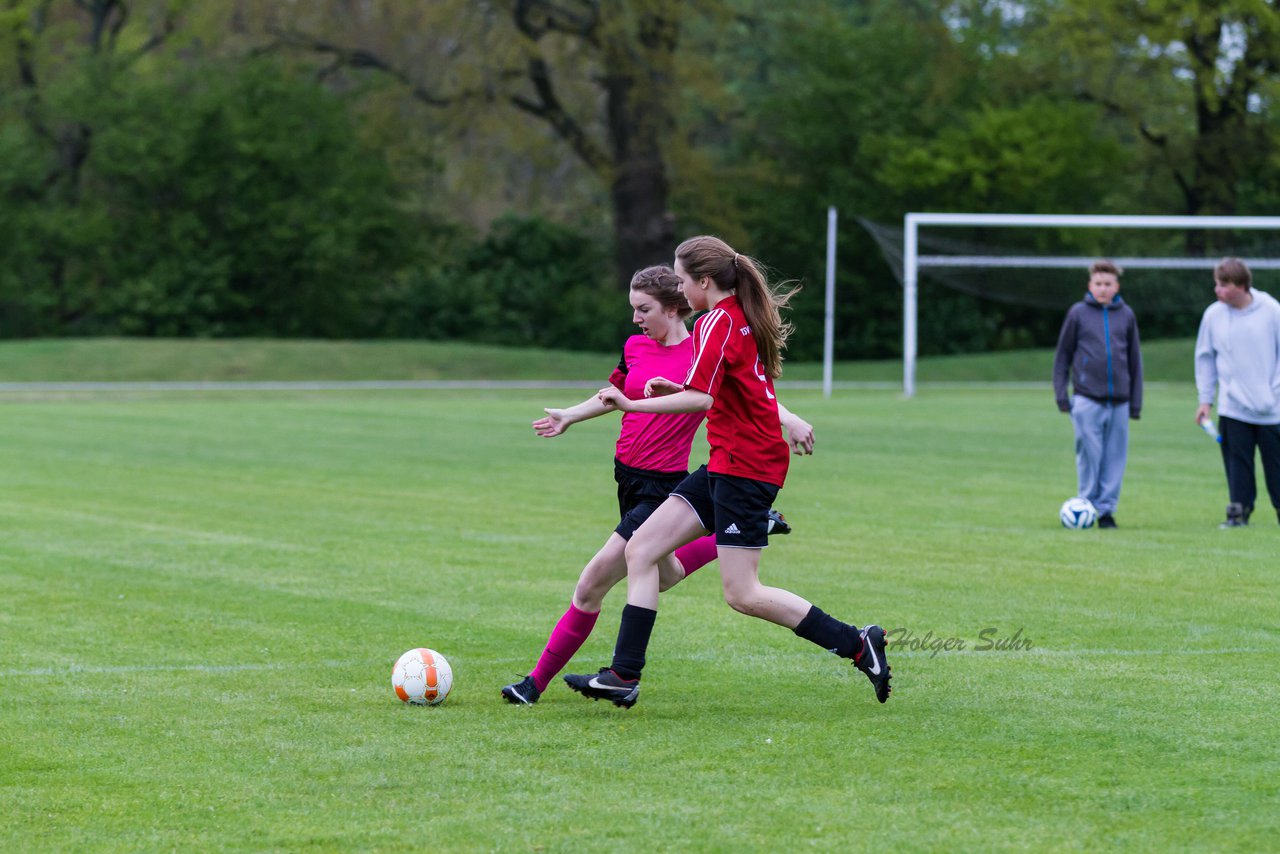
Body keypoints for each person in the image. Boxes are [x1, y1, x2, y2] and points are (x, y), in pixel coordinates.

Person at [564, 236, 891, 709]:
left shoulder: (720, 319)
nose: (678, 289)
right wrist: (675, 384)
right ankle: (623, 675)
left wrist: (634, 401)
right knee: (642, 550)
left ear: (703, 281)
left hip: (747, 468)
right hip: (726, 462)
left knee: (743, 593)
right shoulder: (732, 315)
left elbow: (703, 399)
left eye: (680, 280)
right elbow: (720, 388)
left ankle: (859, 643)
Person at [501, 265, 814, 705]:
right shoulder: (635, 346)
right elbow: (612, 391)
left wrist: (791, 418)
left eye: (643, 309)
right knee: (662, 574)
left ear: (673, 308)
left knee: (593, 582)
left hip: (663, 487)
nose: (635, 319)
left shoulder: (699, 351)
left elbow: (749, 395)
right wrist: (571, 414)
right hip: (626, 480)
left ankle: (534, 684)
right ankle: (753, 523)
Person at [1052, 259, 1144, 529]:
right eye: (1098, 284)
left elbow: (1134, 361)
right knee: (1089, 455)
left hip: (1120, 402)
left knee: (1114, 457)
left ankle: (1106, 511)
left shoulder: (1126, 315)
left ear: (1116, 286)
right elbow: (1062, 357)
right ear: (1090, 285)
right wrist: (1061, 393)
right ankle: (1086, 504)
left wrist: (1135, 402)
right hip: (1086, 398)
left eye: (1108, 284)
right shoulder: (1077, 313)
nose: (1103, 289)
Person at [1193, 257, 1280, 528]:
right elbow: (1205, 358)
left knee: (1276, 466)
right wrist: (1205, 400)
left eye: (1223, 285)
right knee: (1236, 463)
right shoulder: (1213, 315)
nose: (1217, 290)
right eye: (1216, 284)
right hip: (1233, 407)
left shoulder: (1272, 310)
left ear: (1241, 285)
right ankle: (1238, 513)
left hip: (1272, 408)